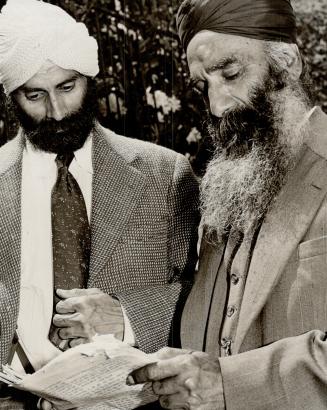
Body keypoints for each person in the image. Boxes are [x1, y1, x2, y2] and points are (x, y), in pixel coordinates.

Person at [0, 0, 199, 408]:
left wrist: (127, 317)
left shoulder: (166, 175)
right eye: (34, 95)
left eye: (67, 87)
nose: (55, 112)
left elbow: (205, 298)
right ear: (10, 98)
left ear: (90, 78)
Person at [129, 0, 327, 409]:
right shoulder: (230, 186)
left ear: (287, 62)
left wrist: (232, 384)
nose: (216, 105)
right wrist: (120, 322)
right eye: (204, 85)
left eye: (231, 73)